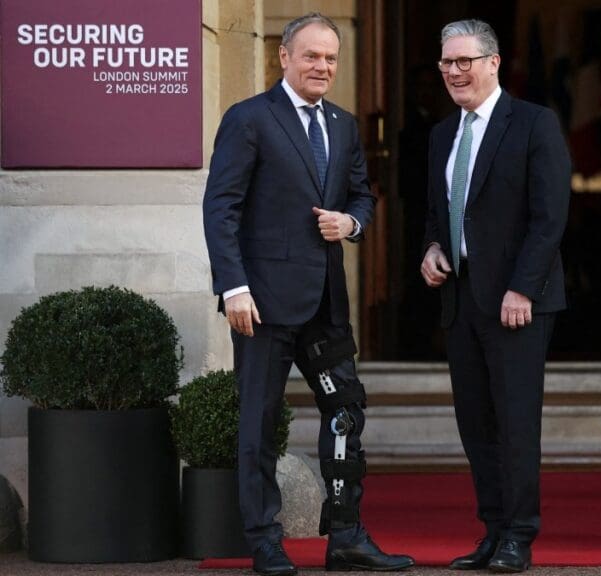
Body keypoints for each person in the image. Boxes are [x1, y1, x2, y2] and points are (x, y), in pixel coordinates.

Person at [203, 12, 414, 575]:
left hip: (326, 304)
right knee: (260, 421)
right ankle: (264, 541)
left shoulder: (343, 125)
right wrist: (233, 288)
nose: (322, 66)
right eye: (312, 56)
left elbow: (361, 197)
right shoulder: (249, 119)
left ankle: (345, 534)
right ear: (284, 57)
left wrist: (351, 224)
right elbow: (220, 208)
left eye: (331, 58)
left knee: (346, 413)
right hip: (264, 304)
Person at [419, 19, 571, 573]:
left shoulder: (533, 123)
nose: (455, 72)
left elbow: (549, 217)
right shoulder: (442, 134)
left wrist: (521, 288)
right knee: (475, 423)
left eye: (465, 61)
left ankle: (519, 536)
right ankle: (492, 530)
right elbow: (438, 214)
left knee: (514, 422)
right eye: (446, 63)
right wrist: (432, 249)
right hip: (461, 300)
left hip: (517, 304)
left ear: (493, 62)